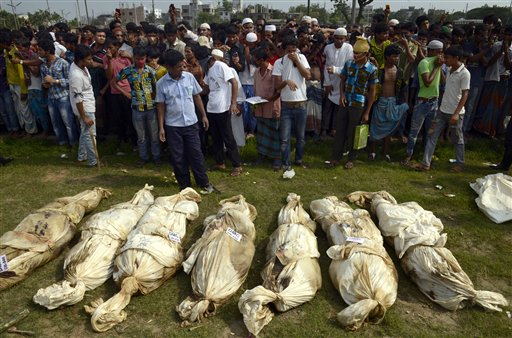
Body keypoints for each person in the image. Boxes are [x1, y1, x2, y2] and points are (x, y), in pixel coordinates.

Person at [156, 49, 215, 193]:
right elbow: (161, 106)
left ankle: (204, 183)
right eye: (178, 67)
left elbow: (196, 97)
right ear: (168, 67)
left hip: (191, 124)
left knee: (196, 154)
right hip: (173, 126)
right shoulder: (161, 84)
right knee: (178, 157)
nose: (181, 69)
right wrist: (161, 127)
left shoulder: (189, 77)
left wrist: (204, 115)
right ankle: (185, 185)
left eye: (182, 66)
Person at [417, 45, 470, 173]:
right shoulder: (450, 69)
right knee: (432, 135)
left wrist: (456, 114)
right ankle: (425, 163)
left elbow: (465, 94)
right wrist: (439, 67)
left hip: (455, 113)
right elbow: (446, 83)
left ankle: (460, 163)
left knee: (457, 139)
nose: (445, 59)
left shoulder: (465, 73)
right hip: (442, 111)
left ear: (456, 58)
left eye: (447, 58)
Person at [327, 36, 378, 169]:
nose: (354, 55)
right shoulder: (349, 64)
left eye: (358, 54)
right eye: (354, 53)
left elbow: (372, 92)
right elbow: (342, 79)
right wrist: (342, 95)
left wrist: (367, 112)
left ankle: (351, 158)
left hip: (358, 104)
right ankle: (335, 157)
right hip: (345, 102)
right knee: (340, 131)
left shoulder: (372, 69)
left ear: (365, 54)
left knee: (353, 132)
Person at [116, 46, 161, 167]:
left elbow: (157, 87)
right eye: (137, 59)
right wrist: (125, 93)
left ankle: (156, 157)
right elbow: (114, 81)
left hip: (151, 107)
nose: (140, 61)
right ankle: (144, 157)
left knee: (154, 135)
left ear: (146, 58)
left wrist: (155, 97)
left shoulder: (151, 71)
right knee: (141, 136)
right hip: (137, 108)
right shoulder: (128, 71)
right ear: (133, 58)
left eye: (142, 59)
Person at [402, 39, 445, 165]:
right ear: (431, 50)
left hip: (434, 101)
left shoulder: (438, 63)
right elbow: (427, 82)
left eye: (441, 52)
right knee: (414, 132)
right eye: (438, 52)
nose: (440, 55)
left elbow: (443, 81)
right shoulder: (424, 63)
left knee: (429, 132)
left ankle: (426, 156)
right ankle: (408, 155)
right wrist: (437, 67)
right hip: (423, 102)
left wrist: (440, 67)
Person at [272, 36, 311, 173]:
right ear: (284, 50)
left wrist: (297, 61)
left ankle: (299, 159)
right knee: (284, 138)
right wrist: (286, 81)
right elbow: (277, 86)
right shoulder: (279, 62)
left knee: (300, 137)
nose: (292, 53)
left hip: (301, 104)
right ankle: (286, 163)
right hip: (286, 106)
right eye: (289, 51)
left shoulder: (302, 58)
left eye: (294, 50)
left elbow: (308, 75)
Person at [204, 49, 243, 177]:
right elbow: (207, 88)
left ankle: (237, 165)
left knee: (227, 136)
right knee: (216, 137)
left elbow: (234, 82)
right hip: (212, 107)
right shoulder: (209, 70)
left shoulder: (221, 66)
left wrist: (233, 102)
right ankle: (220, 162)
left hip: (222, 107)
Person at [369, 44, 409, 161]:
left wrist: (405, 103)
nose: (396, 59)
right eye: (394, 56)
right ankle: (373, 152)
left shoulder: (400, 71)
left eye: (397, 56)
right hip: (380, 102)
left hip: (393, 102)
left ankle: (386, 153)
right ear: (387, 57)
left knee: (389, 129)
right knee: (375, 128)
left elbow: (404, 87)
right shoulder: (379, 71)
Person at [39, 38, 79, 146]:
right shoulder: (43, 66)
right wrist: (45, 84)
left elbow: (70, 81)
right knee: (56, 122)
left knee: (68, 122)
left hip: (63, 96)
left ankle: (73, 143)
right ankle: (62, 142)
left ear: (47, 51)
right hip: (51, 97)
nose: (39, 52)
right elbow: (44, 82)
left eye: (41, 50)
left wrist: (55, 81)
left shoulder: (63, 63)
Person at [252, 47, 281, 170]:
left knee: (274, 132)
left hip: (271, 106)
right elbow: (255, 89)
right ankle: (262, 154)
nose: (254, 61)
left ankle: (277, 157)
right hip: (260, 107)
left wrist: (268, 100)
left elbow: (278, 91)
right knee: (262, 132)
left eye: (256, 59)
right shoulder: (256, 72)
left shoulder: (274, 71)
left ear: (261, 60)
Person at [69, 45, 98, 167]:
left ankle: (82, 156)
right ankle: (93, 161)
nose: (91, 61)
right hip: (85, 108)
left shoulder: (81, 66)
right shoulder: (76, 75)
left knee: (85, 131)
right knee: (90, 134)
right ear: (80, 60)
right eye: (89, 59)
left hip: (88, 103)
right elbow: (78, 98)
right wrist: (84, 116)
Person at [322, 27, 353, 138]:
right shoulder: (328, 48)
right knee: (327, 107)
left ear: (345, 38)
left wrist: (335, 70)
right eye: (337, 38)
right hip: (330, 81)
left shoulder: (349, 48)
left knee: (338, 108)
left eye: (342, 38)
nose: (339, 41)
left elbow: (349, 67)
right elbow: (326, 66)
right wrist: (327, 83)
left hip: (342, 82)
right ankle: (324, 129)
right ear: (333, 38)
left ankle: (334, 129)